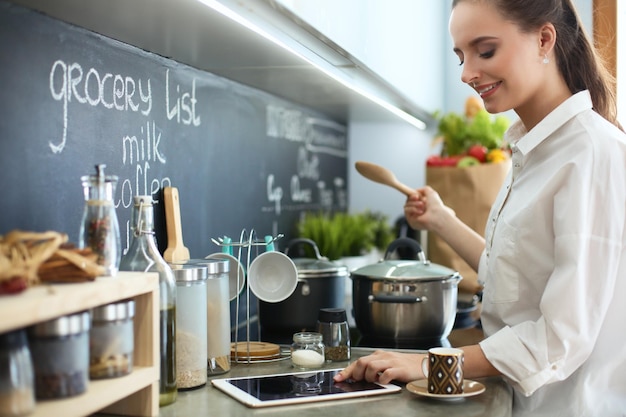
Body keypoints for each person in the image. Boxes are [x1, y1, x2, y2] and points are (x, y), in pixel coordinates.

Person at [334, 0, 626, 415]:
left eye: (485, 51)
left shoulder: (591, 154)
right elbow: (511, 275)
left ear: (544, 39)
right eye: (460, 56)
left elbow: (559, 339)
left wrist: (425, 363)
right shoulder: (532, 150)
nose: (467, 73)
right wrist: (441, 220)